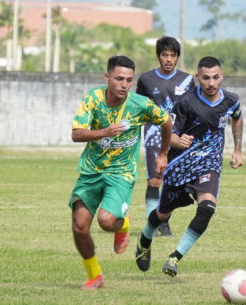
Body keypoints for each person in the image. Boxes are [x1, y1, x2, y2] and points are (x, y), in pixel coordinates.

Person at [134, 56, 244, 277]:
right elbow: (169, 132)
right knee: (162, 214)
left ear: (222, 76)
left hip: (209, 164)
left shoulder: (231, 100)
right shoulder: (185, 102)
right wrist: (176, 141)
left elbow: (237, 118)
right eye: (205, 78)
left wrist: (238, 149)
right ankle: (145, 239)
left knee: (207, 209)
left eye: (216, 77)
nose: (211, 83)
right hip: (180, 165)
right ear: (198, 77)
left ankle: (175, 257)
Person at [69, 55, 172, 290]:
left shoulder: (140, 105)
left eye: (128, 80)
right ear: (107, 78)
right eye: (119, 79)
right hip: (90, 172)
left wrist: (163, 153)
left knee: (106, 221)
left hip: (121, 173)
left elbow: (166, 122)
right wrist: (104, 132)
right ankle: (95, 276)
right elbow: (76, 134)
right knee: (79, 226)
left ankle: (122, 224)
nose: (124, 85)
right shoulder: (93, 99)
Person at [135, 36, 195, 237]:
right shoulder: (146, 79)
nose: (168, 59)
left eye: (172, 55)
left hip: (179, 138)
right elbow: (138, 108)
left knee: (173, 182)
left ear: (177, 57)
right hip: (154, 137)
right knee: (155, 181)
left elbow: (193, 110)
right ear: (158, 56)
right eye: (165, 55)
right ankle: (156, 224)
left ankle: (163, 219)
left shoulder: (187, 80)